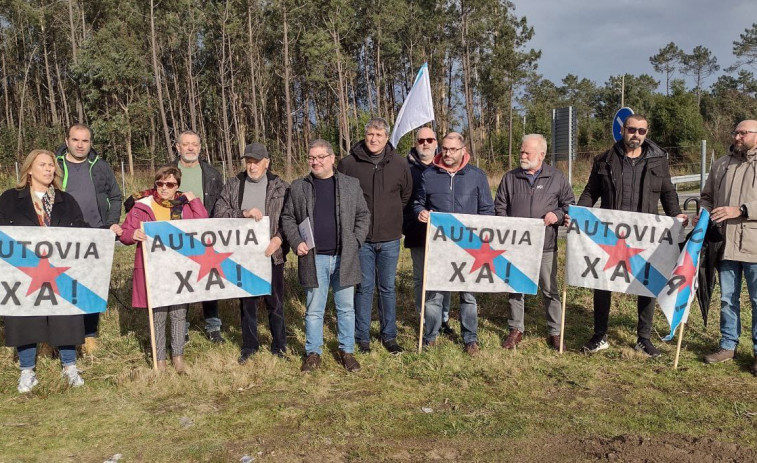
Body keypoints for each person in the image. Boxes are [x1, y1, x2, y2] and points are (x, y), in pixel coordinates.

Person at [575, 114, 688, 357]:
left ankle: (643, 338)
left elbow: (668, 193)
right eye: (631, 129)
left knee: (647, 283)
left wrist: (676, 215)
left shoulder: (659, 161)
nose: (636, 134)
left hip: (645, 236)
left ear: (647, 133)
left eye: (641, 131)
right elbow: (590, 192)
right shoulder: (604, 160)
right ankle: (599, 335)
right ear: (622, 130)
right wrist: (578, 214)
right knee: (602, 282)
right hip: (610, 236)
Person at [0, 149, 88, 393]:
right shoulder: (9, 199)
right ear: (29, 170)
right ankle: (27, 370)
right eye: (43, 165)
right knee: (24, 317)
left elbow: (82, 230)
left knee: (66, 316)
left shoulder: (65, 200)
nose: (49, 169)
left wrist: (107, 232)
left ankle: (69, 366)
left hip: (59, 270)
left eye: (51, 165)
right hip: (23, 272)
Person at [281, 139, 370, 372]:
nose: (316, 161)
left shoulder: (351, 185)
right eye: (312, 157)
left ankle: (347, 351)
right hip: (314, 258)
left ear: (332, 158)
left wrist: (356, 241)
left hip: (345, 256)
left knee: (346, 309)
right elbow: (288, 217)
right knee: (314, 310)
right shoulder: (299, 186)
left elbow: (363, 215)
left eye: (321, 157)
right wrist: (296, 241)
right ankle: (313, 353)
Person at [119, 166, 208, 373]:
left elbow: (203, 223)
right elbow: (125, 232)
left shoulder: (184, 207)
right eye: (160, 184)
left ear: (177, 186)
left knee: (178, 314)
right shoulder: (142, 205)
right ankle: (160, 361)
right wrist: (133, 235)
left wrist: (194, 200)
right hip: (153, 270)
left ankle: (178, 357)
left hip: (179, 267)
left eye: (169, 184)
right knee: (158, 316)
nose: (164, 188)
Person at [413, 132, 495, 356]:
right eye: (445, 149)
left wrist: (482, 234)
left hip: (469, 246)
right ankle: (431, 336)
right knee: (434, 293)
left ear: (463, 151)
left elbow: (487, 209)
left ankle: (470, 339)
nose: (447, 154)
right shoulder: (429, 175)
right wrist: (420, 212)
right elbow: (418, 202)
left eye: (452, 150)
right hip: (439, 245)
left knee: (468, 295)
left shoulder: (477, 176)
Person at [337, 118, 412, 355]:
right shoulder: (349, 164)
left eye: (379, 135)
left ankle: (389, 336)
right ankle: (363, 337)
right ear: (364, 134)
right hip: (361, 239)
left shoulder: (400, 164)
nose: (374, 139)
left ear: (387, 138)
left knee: (387, 287)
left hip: (390, 237)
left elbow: (405, 196)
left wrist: (390, 218)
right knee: (364, 287)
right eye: (370, 134)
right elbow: (340, 196)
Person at [494, 134, 575, 351]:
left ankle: (555, 332)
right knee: (516, 287)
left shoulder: (557, 178)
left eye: (526, 152)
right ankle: (516, 329)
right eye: (521, 151)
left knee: (550, 289)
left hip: (545, 245)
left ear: (541, 155)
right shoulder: (510, 178)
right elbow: (500, 206)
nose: (522, 155)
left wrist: (557, 215)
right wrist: (506, 227)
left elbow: (569, 205)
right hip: (516, 245)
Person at [214, 143, 289, 363]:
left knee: (274, 302)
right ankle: (249, 347)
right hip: (244, 255)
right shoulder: (233, 185)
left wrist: (280, 239)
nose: (252, 166)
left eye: (256, 161)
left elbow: (289, 218)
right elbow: (219, 212)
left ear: (267, 162)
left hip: (272, 253)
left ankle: (279, 346)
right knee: (248, 303)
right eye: (248, 161)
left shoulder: (281, 187)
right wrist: (242, 213)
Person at [55, 123, 123, 353]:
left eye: (85, 140)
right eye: (76, 140)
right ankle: (61, 334)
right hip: (62, 236)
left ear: (90, 143)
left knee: (90, 284)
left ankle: (89, 333)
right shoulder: (54, 164)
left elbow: (115, 196)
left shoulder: (100, 166)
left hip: (95, 235)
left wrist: (110, 223)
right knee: (62, 284)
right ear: (67, 141)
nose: (80, 145)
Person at [700, 119, 757, 374]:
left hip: (754, 245)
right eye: (735, 132)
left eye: (743, 133)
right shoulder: (721, 164)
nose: (737, 136)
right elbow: (707, 197)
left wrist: (742, 210)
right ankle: (727, 345)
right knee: (726, 299)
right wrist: (703, 213)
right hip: (724, 244)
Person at [170, 130, 225, 344]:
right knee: (182, 283)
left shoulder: (212, 173)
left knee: (209, 281)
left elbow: (220, 202)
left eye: (194, 144)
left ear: (200, 148)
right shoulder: (169, 172)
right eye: (186, 144)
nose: (190, 148)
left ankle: (213, 327)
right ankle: (180, 329)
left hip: (205, 234)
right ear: (178, 147)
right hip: (178, 235)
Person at [403, 127, 453, 336]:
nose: (425, 143)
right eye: (421, 140)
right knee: (420, 279)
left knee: (444, 277)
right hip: (417, 231)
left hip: (445, 234)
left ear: (436, 143)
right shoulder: (405, 168)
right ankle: (424, 318)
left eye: (430, 139)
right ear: (416, 143)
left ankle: (443, 319)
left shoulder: (446, 166)